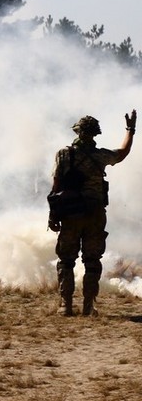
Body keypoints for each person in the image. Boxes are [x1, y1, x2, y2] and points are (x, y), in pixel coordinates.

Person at [48, 111, 135, 316]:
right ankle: (89, 306)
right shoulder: (100, 156)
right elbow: (122, 152)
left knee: (66, 260)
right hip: (95, 214)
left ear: (77, 132)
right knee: (92, 261)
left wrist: (53, 216)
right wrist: (130, 130)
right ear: (95, 134)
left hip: (71, 212)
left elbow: (56, 186)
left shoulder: (64, 154)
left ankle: (66, 305)